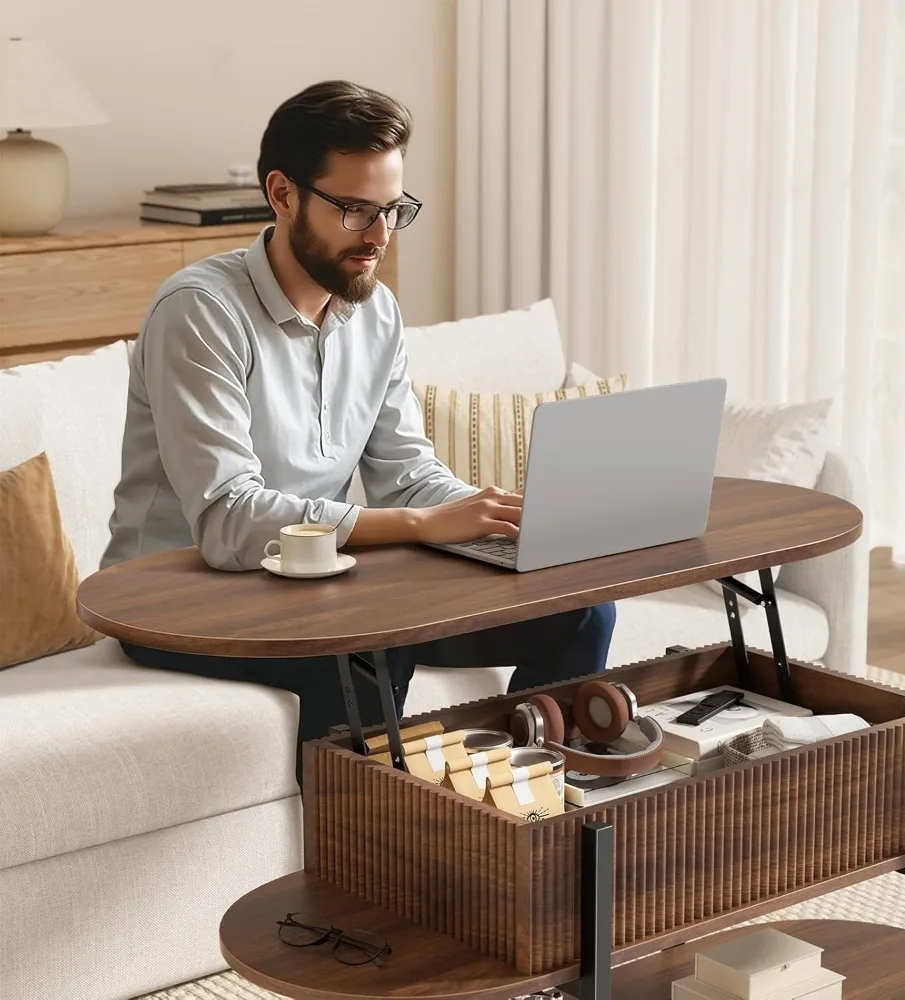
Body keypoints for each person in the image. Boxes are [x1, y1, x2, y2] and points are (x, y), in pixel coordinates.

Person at [103, 80, 616, 788]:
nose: (378, 237)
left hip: (310, 587)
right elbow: (228, 519)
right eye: (353, 211)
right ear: (283, 195)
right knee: (372, 648)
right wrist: (420, 522)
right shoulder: (200, 312)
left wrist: (496, 518)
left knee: (581, 613)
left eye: (392, 210)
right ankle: (362, 870)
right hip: (177, 603)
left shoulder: (374, 314)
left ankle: (518, 820)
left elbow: (407, 473)